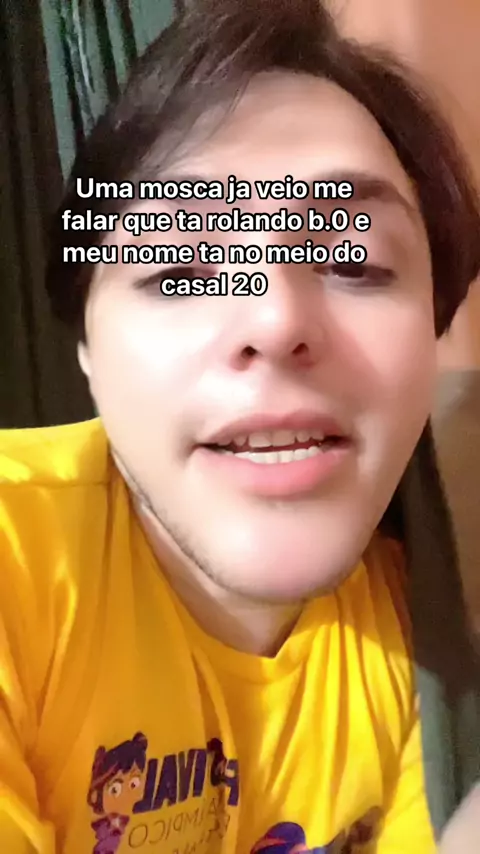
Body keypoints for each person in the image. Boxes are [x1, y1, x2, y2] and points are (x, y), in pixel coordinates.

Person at [1, 0, 479, 851]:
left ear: (432, 331)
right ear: (87, 350)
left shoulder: (424, 630)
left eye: (352, 260)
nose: (273, 315)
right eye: (179, 271)